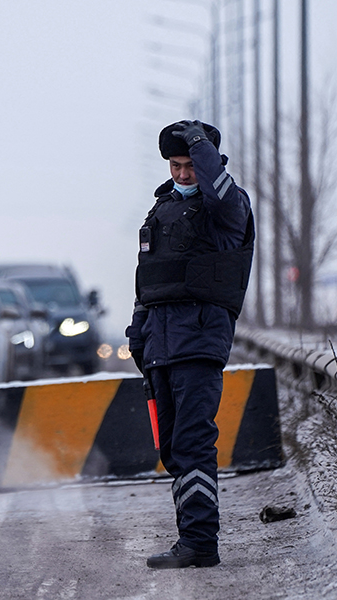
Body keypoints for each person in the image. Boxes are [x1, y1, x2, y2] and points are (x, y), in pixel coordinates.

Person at [125, 120, 254, 569]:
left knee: (194, 441)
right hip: (160, 342)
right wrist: (137, 330)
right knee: (173, 448)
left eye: (190, 166)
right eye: (175, 166)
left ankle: (201, 542)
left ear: (209, 163)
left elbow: (219, 193)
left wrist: (202, 147)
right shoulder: (160, 211)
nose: (182, 174)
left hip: (199, 339)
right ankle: (190, 539)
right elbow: (149, 282)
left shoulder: (227, 207)